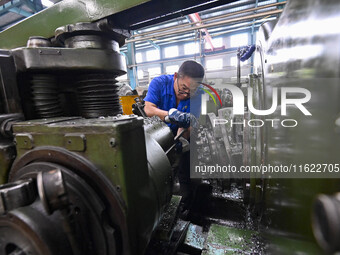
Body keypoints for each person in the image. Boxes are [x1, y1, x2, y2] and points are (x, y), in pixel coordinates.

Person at [144, 60, 205, 216]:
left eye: (191, 91)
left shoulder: (199, 95)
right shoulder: (159, 83)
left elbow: (190, 123)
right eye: (183, 88)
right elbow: (149, 109)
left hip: (181, 138)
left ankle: (185, 206)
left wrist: (182, 139)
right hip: (157, 137)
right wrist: (169, 114)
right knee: (158, 173)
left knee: (185, 172)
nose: (186, 94)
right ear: (176, 76)